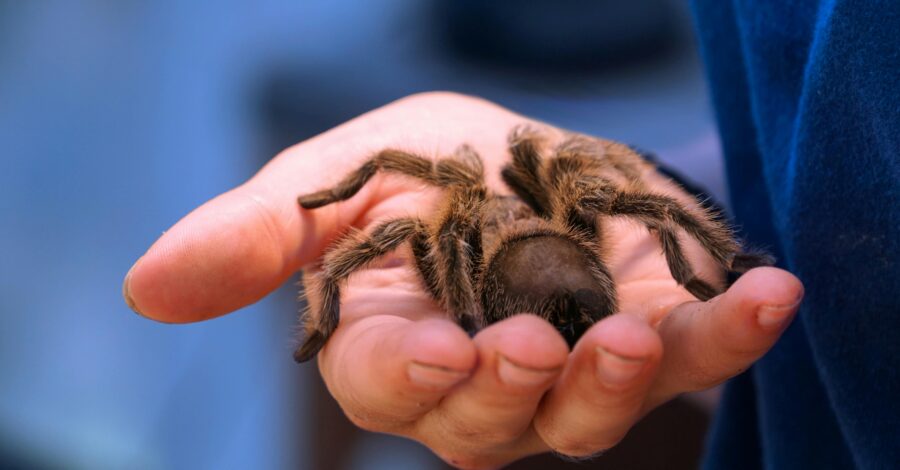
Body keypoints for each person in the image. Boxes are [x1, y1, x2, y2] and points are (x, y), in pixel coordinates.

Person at [124, 1, 898, 468]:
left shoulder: (446, 233)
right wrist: (685, 193)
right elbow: (819, 143)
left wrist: (429, 308)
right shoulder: (570, 207)